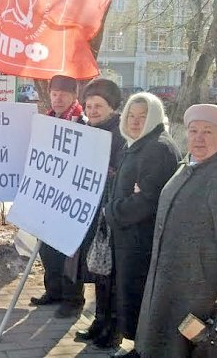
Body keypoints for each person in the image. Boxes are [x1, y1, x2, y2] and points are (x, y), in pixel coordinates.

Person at [133, 104, 217, 358]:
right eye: (193, 130)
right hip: (173, 273)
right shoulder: (189, 164)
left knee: (191, 340)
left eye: (208, 132)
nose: (198, 137)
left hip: (200, 281)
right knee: (167, 332)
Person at [105, 92, 181, 357]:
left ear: (155, 117)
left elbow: (146, 200)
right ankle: (138, 346)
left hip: (142, 239)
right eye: (131, 116)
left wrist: (112, 211)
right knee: (129, 292)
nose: (135, 122)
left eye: (143, 116)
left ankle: (143, 349)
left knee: (139, 294)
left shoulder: (157, 148)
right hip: (130, 237)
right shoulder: (137, 143)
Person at [30, 74, 88, 318]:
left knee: (69, 252)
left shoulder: (83, 123)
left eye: (63, 94)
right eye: (54, 94)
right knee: (48, 249)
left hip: (71, 199)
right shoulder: (47, 121)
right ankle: (53, 291)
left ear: (74, 96)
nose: (58, 98)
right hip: (48, 197)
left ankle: (73, 298)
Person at [75, 79, 125, 348]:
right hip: (88, 209)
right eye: (89, 105)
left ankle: (112, 327)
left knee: (110, 270)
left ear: (112, 108)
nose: (92, 111)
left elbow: (120, 173)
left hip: (110, 212)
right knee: (96, 267)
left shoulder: (121, 134)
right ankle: (99, 320)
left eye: (99, 106)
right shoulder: (84, 128)